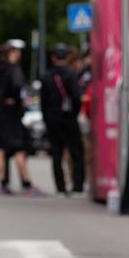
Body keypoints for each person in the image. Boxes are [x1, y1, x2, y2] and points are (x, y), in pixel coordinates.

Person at [0, 41, 43, 196]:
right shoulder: (14, 70)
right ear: (11, 53)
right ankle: (26, 183)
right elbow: (18, 85)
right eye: (17, 52)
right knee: (19, 148)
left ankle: (3, 182)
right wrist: (16, 99)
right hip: (11, 114)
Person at [41, 44, 85, 196]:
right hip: (69, 118)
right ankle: (77, 186)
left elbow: (43, 102)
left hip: (52, 119)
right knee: (76, 152)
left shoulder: (46, 76)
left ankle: (60, 187)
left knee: (56, 153)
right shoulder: (71, 75)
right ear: (68, 57)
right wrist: (74, 113)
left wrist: (46, 119)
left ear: (54, 58)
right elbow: (77, 98)